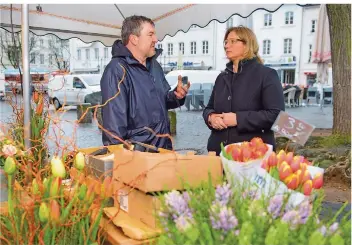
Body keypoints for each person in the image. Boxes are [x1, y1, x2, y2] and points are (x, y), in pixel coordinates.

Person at [100, 15, 190, 150]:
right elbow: (114, 133)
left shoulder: (154, 65)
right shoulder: (117, 71)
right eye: (150, 34)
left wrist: (175, 95)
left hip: (163, 152)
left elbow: (163, 99)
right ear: (134, 39)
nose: (156, 39)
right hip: (139, 160)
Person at [203, 26, 285, 155]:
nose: (226, 46)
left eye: (233, 41)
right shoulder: (221, 77)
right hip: (219, 153)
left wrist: (238, 119)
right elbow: (209, 108)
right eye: (226, 42)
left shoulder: (266, 75)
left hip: (251, 156)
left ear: (247, 45)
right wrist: (211, 117)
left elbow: (276, 116)